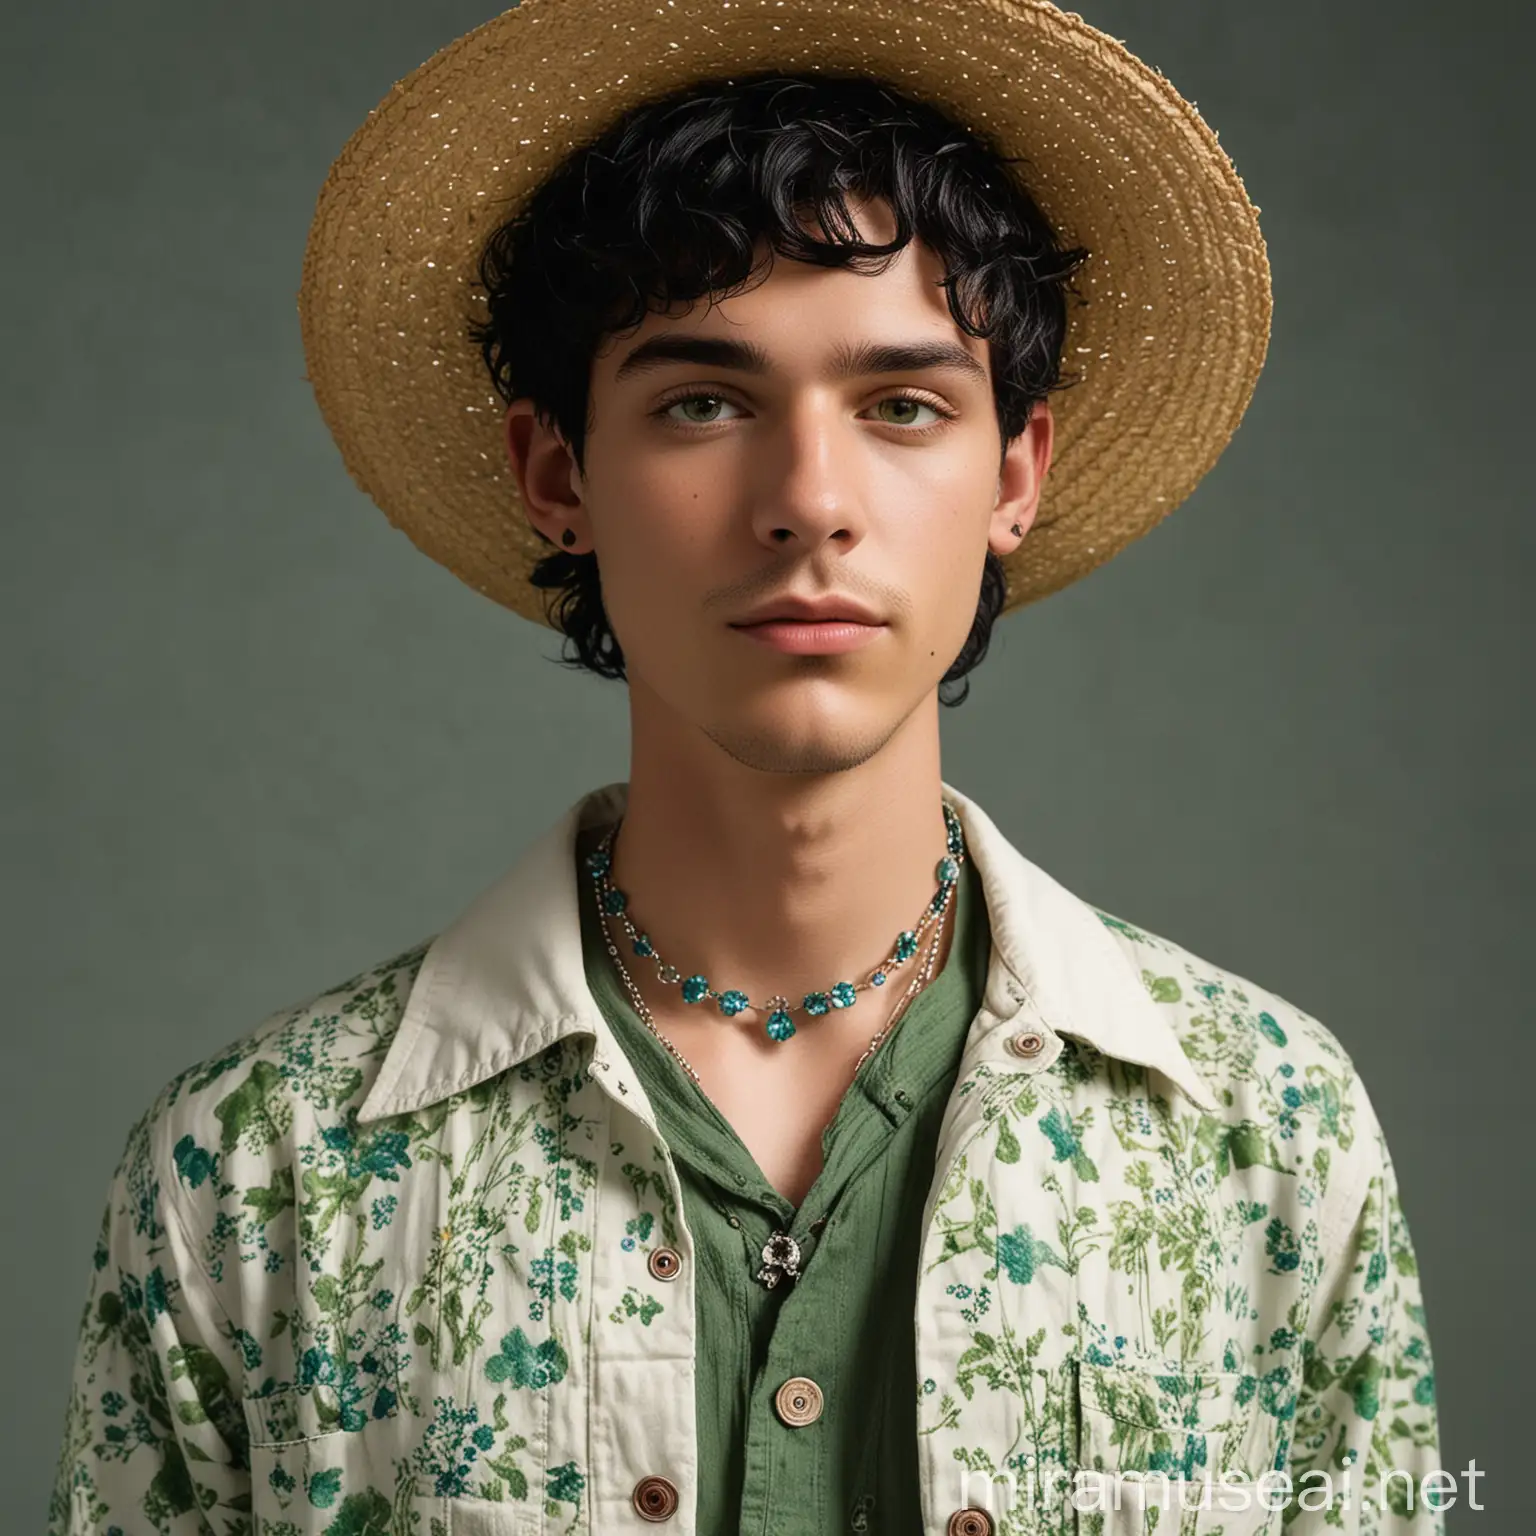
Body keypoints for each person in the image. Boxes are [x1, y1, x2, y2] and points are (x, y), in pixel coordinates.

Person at [50, 0, 1443, 1532]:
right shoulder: (255, 1175)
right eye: (704, 403)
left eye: (904, 406)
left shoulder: (1270, 1133)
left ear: (1016, 476)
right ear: (557, 473)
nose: (809, 501)